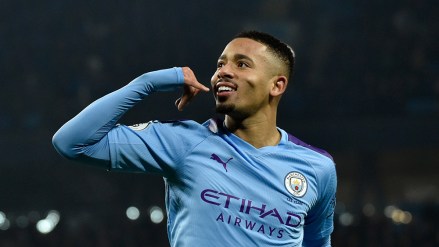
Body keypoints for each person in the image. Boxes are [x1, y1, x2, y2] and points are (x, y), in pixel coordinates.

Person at [52, 30, 337, 247]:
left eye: (242, 64)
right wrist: (149, 82)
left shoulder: (317, 167)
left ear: (277, 85)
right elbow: (73, 142)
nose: (223, 71)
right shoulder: (184, 143)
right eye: (220, 64)